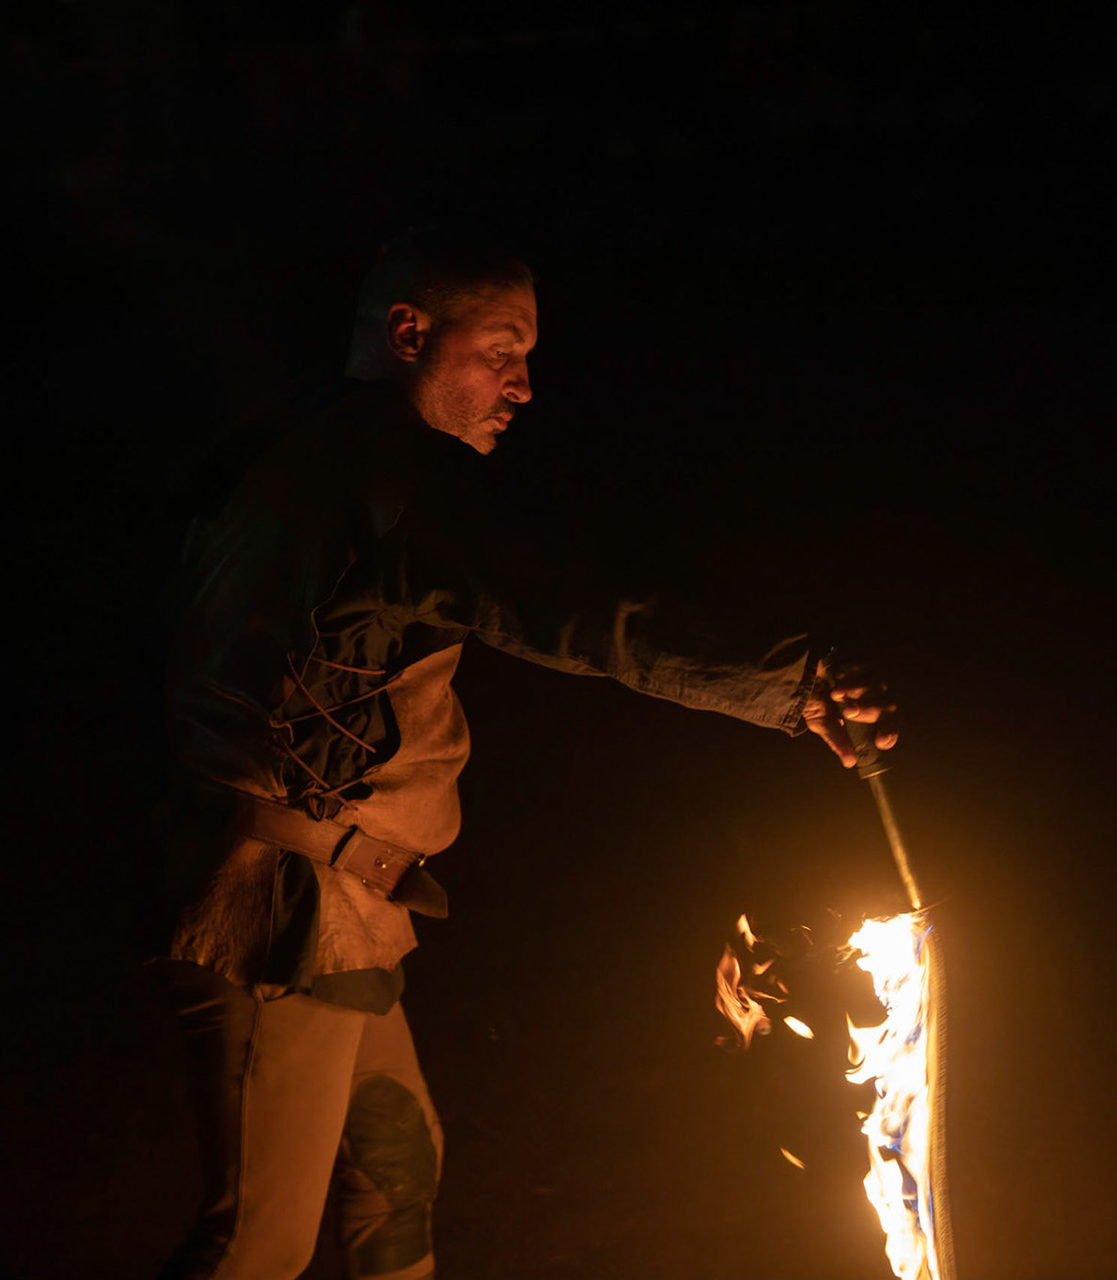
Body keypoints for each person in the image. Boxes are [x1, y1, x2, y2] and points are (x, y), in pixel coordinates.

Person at [145, 227, 898, 1280]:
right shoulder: (386, 477)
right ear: (411, 333)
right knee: (253, 1244)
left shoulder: (308, 441)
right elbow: (575, 609)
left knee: (399, 1166)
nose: (524, 385)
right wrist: (788, 684)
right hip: (280, 911)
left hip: (341, 905)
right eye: (502, 350)